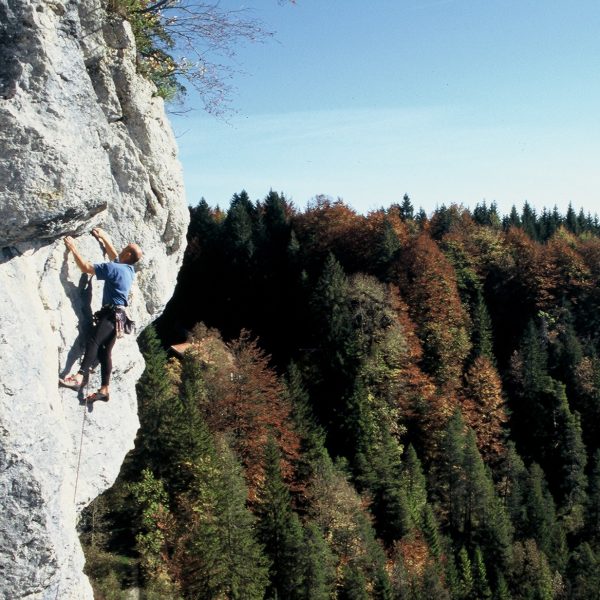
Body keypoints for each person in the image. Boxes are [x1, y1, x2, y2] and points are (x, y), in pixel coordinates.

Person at [59, 228, 142, 402]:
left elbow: (85, 267)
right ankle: (104, 389)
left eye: (124, 248)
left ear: (127, 254)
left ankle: (79, 378)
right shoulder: (128, 270)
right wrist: (104, 238)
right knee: (105, 352)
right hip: (119, 317)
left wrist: (73, 248)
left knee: (94, 342)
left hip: (110, 315)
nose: (120, 250)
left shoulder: (114, 269)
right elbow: (116, 258)